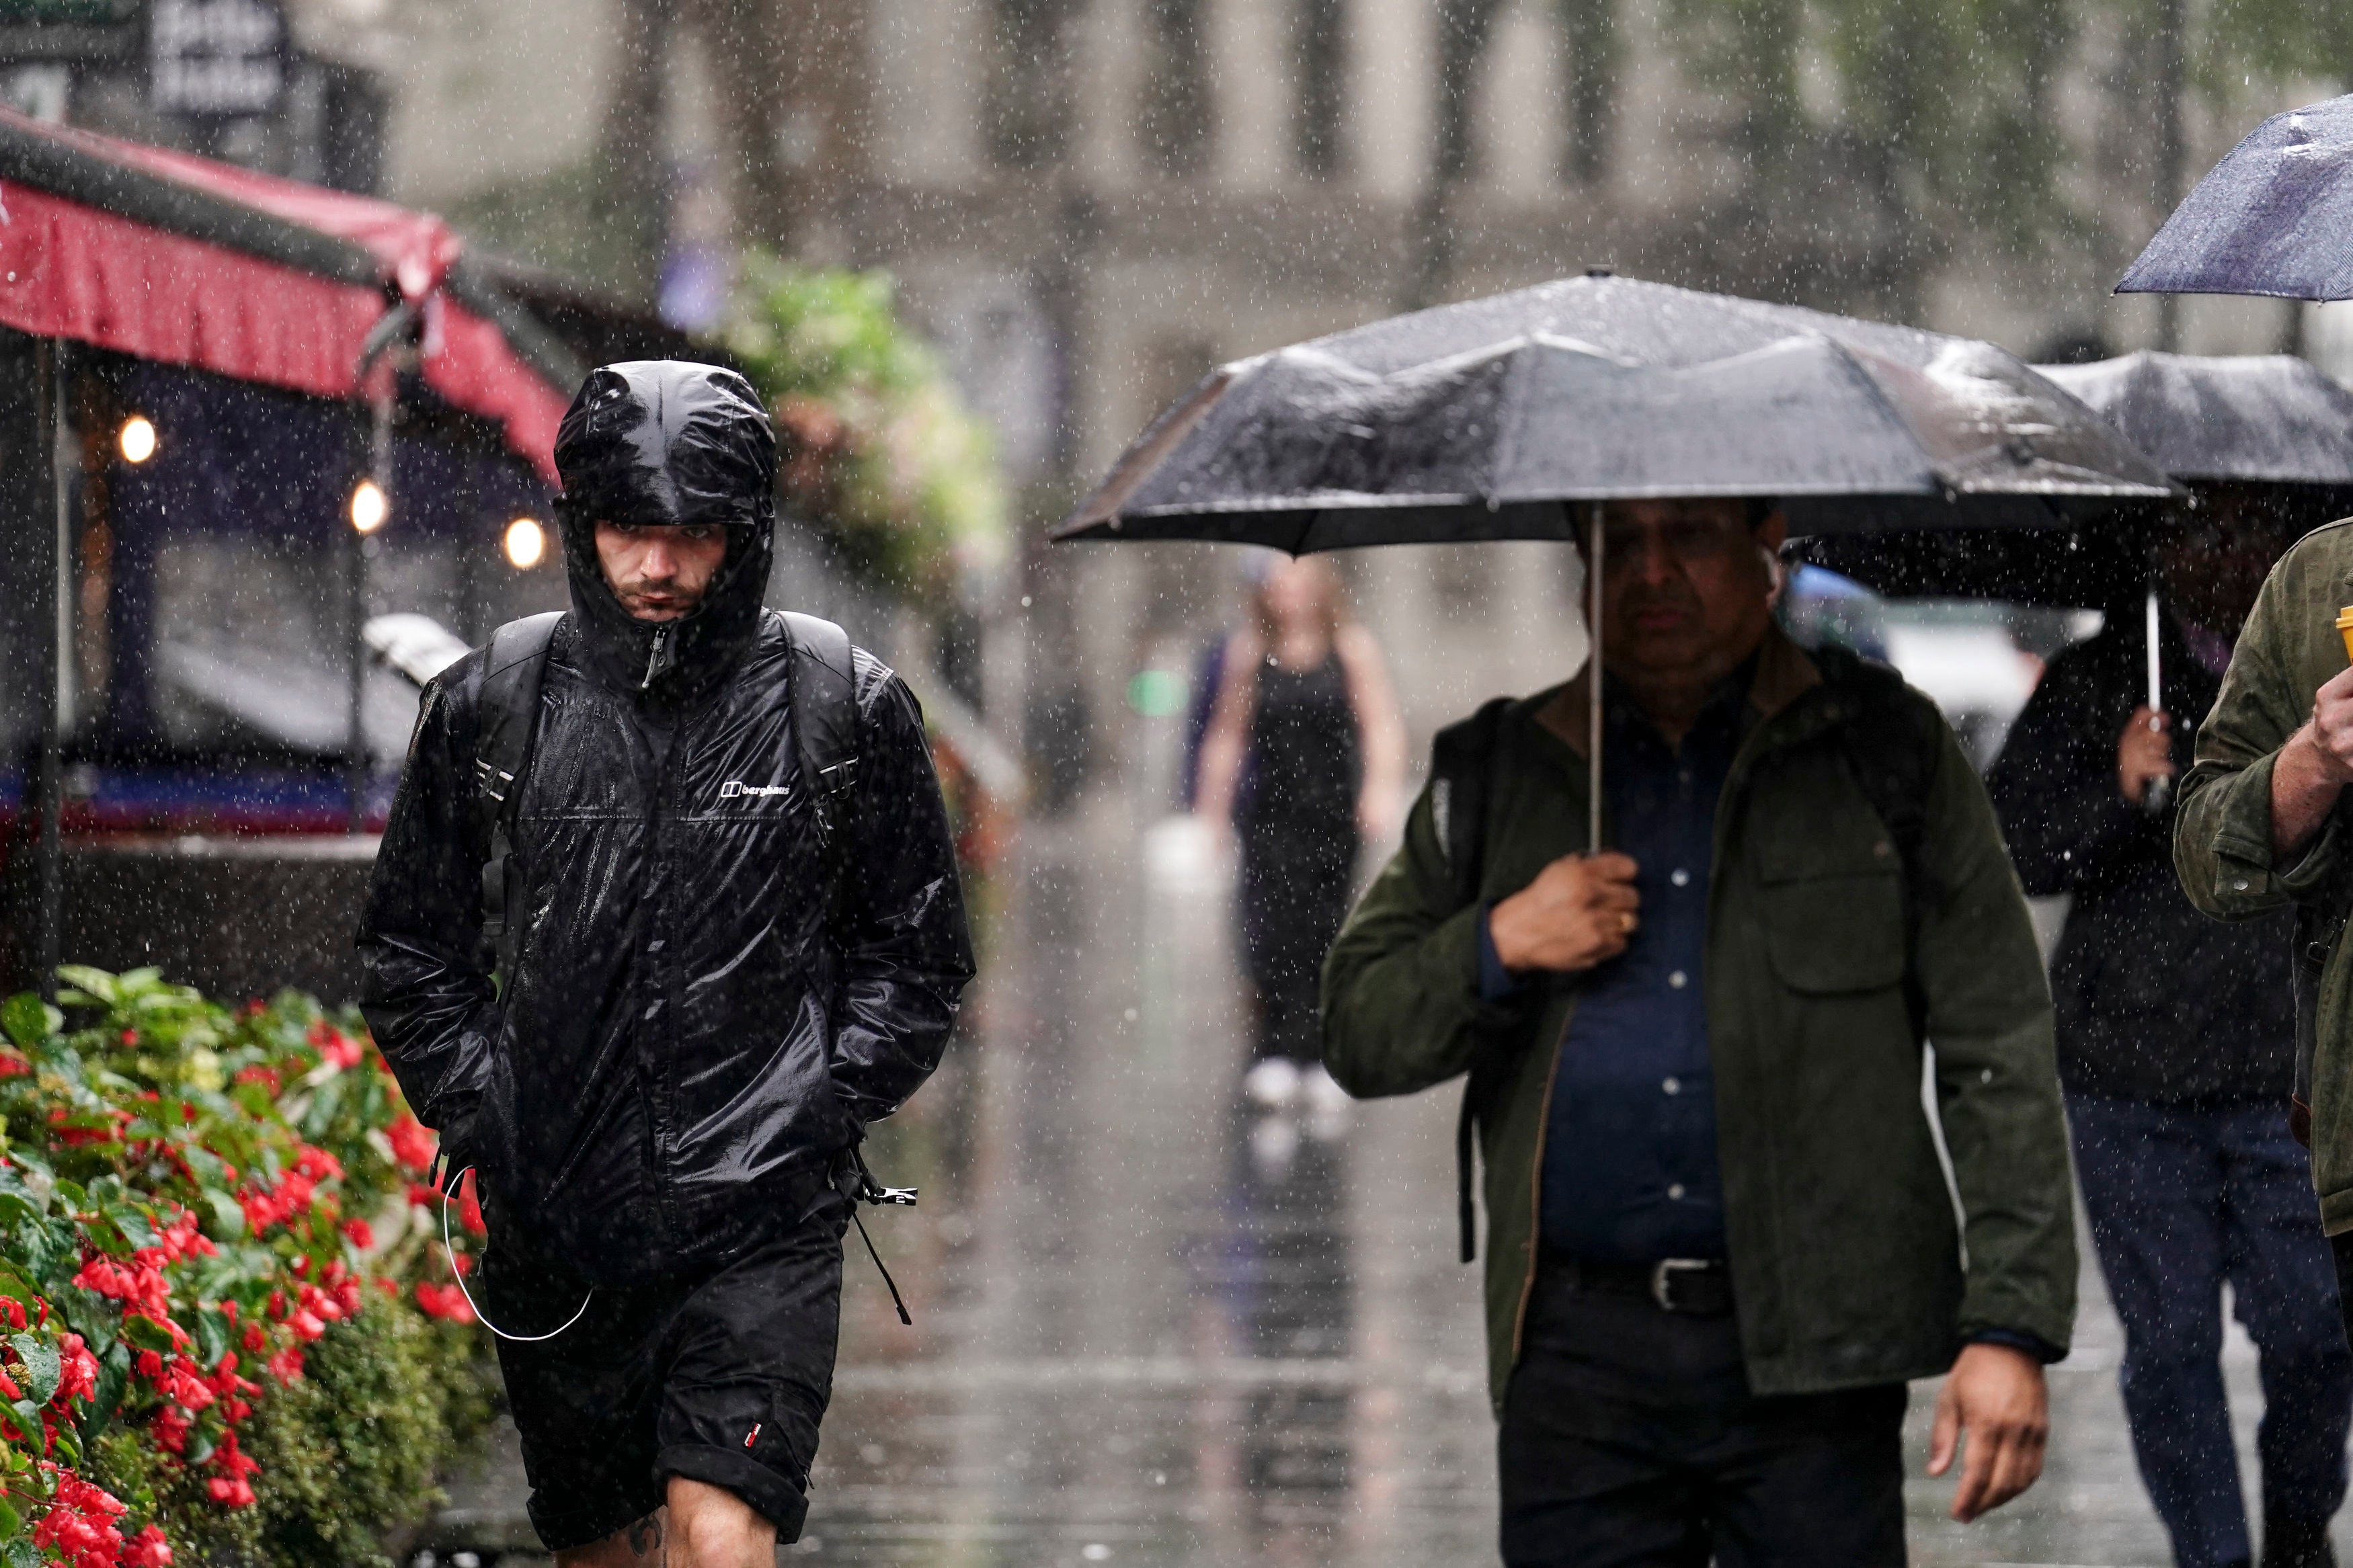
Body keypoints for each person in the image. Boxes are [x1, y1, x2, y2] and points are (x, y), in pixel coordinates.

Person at [1321, 497, 2078, 1566]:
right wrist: (1500, 939)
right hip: (1576, 1360)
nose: (1652, 572)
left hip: (1818, 1356)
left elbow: (1995, 1035)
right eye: (1618, 543)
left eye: (1692, 537)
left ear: (1767, 548)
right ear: (1579, 565)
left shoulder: (1885, 753)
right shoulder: (1503, 771)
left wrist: (2009, 1323)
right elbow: (1358, 1026)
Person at [357, 362, 975, 1568]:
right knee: (602, 1548)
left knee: (721, 1528)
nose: (658, 566)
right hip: (560, 1225)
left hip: (762, 1222)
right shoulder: (502, 698)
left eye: (692, 536)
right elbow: (410, 945)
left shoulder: (837, 701)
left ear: (742, 538)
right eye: (631, 529)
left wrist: (813, 1101)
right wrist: (499, 1108)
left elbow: (916, 950)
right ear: (587, 526)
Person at [1992, 497, 2348, 1568]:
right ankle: (2212, 1556)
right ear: (2160, 546)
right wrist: (2117, 790)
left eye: (2247, 532)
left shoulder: (2318, 662)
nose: (2222, 556)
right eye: (2200, 533)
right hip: (2129, 1075)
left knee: (2312, 1334)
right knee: (2171, 1343)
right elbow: (2019, 841)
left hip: (2282, 1070)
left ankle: (2298, 1526)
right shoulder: (2103, 681)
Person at [1195, 555, 1404, 1118]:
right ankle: (1275, 1049)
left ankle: (1320, 1053)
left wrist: (1381, 789)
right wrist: (1211, 812)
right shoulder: (1249, 653)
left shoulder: (1351, 649)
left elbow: (1379, 722)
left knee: (1327, 929)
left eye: (1298, 579)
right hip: (1271, 817)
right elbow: (1226, 736)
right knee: (1270, 930)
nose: (1287, 592)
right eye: (1278, 582)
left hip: (1333, 816)